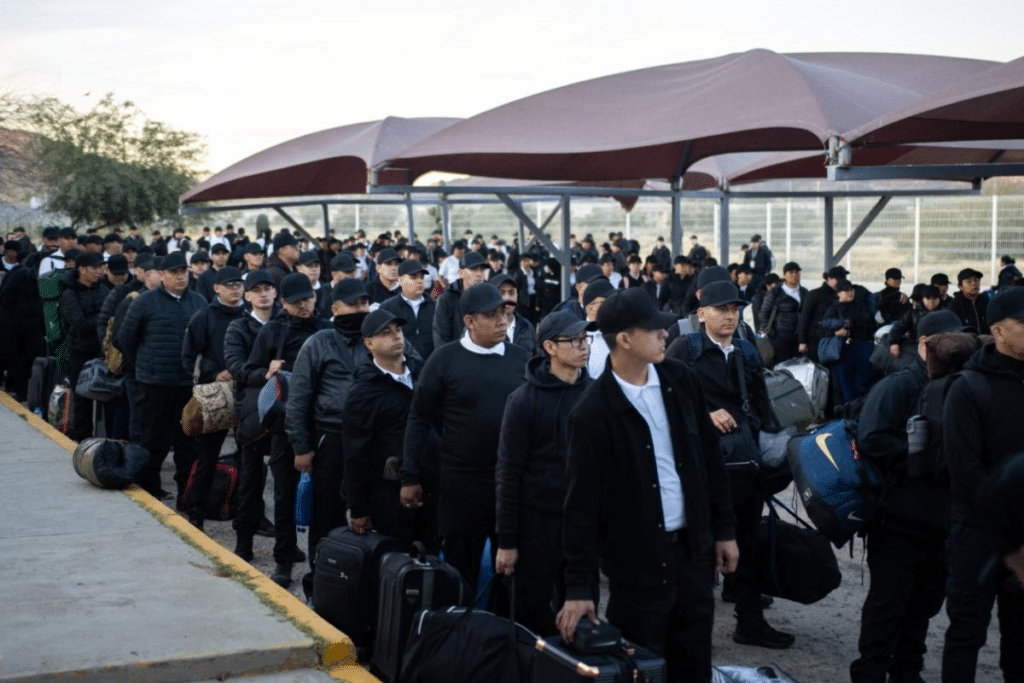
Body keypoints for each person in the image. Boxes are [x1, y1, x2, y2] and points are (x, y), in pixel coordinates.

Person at [556, 287, 738, 683]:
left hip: (693, 555)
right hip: (635, 566)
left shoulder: (681, 380)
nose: (664, 334)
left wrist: (724, 531)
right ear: (624, 339)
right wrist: (578, 588)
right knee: (643, 667)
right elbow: (581, 506)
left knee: (693, 663)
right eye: (653, 329)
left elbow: (710, 462)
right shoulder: (591, 412)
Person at [850, 310, 976, 683]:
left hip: (943, 520)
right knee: (887, 604)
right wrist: (920, 453)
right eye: (950, 340)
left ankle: (907, 672)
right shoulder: (899, 386)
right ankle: (870, 673)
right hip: (898, 521)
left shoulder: (962, 386)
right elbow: (870, 438)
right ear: (923, 344)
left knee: (924, 604)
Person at [665, 280, 792, 649]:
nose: (730, 316)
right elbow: (664, 399)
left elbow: (761, 405)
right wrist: (705, 416)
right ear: (701, 314)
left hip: (743, 465)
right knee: (700, 551)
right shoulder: (684, 348)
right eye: (722, 309)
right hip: (701, 467)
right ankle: (692, 634)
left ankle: (749, 622)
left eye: (735, 309)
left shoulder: (747, 351)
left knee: (747, 545)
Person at [401, 283, 530, 590]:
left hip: (511, 484)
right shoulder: (444, 360)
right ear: (470, 321)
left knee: (512, 575)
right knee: (461, 570)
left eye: (503, 313)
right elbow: (419, 418)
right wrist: (409, 476)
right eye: (491, 315)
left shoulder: (522, 359)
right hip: (462, 484)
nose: (501, 321)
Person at [942, 287, 1024, 683]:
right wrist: (1010, 547)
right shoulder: (968, 387)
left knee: (1021, 641)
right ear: (998, 331)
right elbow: (966, 473)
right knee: (966, 634)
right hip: (977, 536)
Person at [494, 310, 594, 635]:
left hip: (583, 523)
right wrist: (507, 541)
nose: (583, 346)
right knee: (531, 614)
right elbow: (508, 473)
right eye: (574, 340)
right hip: (536, 523)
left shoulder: (596, 395)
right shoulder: (523, 401)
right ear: (550, 347)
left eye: (585, 339)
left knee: (583, 617)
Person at [287, 278, 372, 590]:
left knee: (368, 510)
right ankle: (321, 582)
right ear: (335, 309)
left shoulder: (378, 337)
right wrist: (301, 446)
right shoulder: (318, 343)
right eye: (354, 305)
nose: (360, 310)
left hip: (371, 439)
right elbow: (298, 399)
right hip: (331, 438)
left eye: (364, 303)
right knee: (326, 514)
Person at [243, 272, 324, 587]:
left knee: (325, 498)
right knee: (284, 494)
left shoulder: (326, 330)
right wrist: (268, 371)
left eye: (307, 299)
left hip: (322, 424)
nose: (303, 305)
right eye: (296, 301)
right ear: (284, 303)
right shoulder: (272, 331)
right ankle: (284, 559)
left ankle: (321, 563)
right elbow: (250, 369)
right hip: (285, 426)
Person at [116, 252, 205, 500]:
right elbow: (125, 339)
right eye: (174, 272)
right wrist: (146, 364)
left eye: (183, 272)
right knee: (153, 440)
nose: (180, 277)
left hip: (186, 384)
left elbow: (204, 339)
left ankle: (187, 493)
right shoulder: (144, 302)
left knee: (188, 441)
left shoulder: (198, 302)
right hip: (152, 384)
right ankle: (150, 489)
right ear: (162, 275)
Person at [343, 308, 431, 550]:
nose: (396, 336)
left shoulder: (423, 372)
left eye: (398, 329)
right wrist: (358, 508)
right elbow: (355, 455)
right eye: (386, 333)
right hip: (389, 494)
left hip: (431, 484)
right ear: (369, 343)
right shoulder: (363, 392)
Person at [181, 266, 247, 530]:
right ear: (216, 288)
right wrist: (214, 372)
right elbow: (189, 357)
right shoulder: (204, 316)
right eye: (229, 285)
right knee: (208, 454)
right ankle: (196, 510)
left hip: (247, 392)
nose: (235, 289)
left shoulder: (249, 315)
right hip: (215, 395)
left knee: (249, 456)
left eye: (238, 284)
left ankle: (247, 512)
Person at [224, 270, 278, 561]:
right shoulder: (238, 328)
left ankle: (284, 542)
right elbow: (236, 366)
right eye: (257, 290)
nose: (263, 294)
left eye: (268, 289)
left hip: (284, 410)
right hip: (250, 411)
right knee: (250, 478)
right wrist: (264, 374)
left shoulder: (284, 323)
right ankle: (243, 540)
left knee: (284, 480)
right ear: (247, 296)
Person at [60, 251, 110, 441]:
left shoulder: (103, 289)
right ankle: (82, 439)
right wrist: (103, 320)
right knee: (82, 399)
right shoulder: (69, 294)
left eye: (100, 267)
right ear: (81, 270)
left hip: (102, 351)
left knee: (107, 396)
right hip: (80, 352)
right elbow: (79, 323)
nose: (99, 271)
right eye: (94, 267)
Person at [380, 259, 436, 361]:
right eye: (413, 277)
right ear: (400, 280)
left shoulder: (436, 306)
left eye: (422, 277)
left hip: (433, 364)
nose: (419, 281)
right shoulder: (387, 308)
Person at [432, 249, 488, 348]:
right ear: (461, 273)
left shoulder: (489, 296)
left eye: (482, 270)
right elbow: (440, 336)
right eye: (474, 269)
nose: (479, 274)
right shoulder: (447, 298)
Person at [757, 261, 806, 366]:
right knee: (781, 367)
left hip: (799, 338)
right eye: (791, 272)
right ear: (784, 275)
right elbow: (763, 314)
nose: (794, 275)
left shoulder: (804, 292)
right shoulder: (775, 292)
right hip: (780, 336)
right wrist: (769, 332)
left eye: (797, 272)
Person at [798, 266, 845, 363]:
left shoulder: (842, 295)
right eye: (837, 279)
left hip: (835, 341)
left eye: (842, 279)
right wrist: (802, 341)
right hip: (815, 341)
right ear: (829, 279)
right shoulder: (815, 294)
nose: (840, 282)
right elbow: (804, 318)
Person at [491, 273, 538, 356]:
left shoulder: (527, 327)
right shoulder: (484, 327)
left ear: (517, 295)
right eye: (501, 293)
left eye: (511, 293)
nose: (507, 298)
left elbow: (536, 357)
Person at [948, 267, 990, 334]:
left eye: (976, 280)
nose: (973, 283)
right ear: (960, 286)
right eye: (969, 281)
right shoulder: (955, 305)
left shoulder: (986, 301)